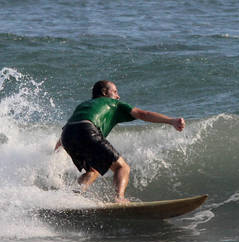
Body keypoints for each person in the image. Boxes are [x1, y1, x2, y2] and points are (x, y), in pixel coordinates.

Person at [54, 80, 185, 203]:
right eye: (115, 91)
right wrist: (171, 121)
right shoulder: (113, 103)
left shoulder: (83, 105)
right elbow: (143, 114)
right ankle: (119, 199)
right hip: (87, 130)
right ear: (105, 93)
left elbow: (71, 128)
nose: (118, 96)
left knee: (93, 170)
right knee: (122, 167)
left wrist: (57, 148)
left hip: (67, 135)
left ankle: (75, 194)